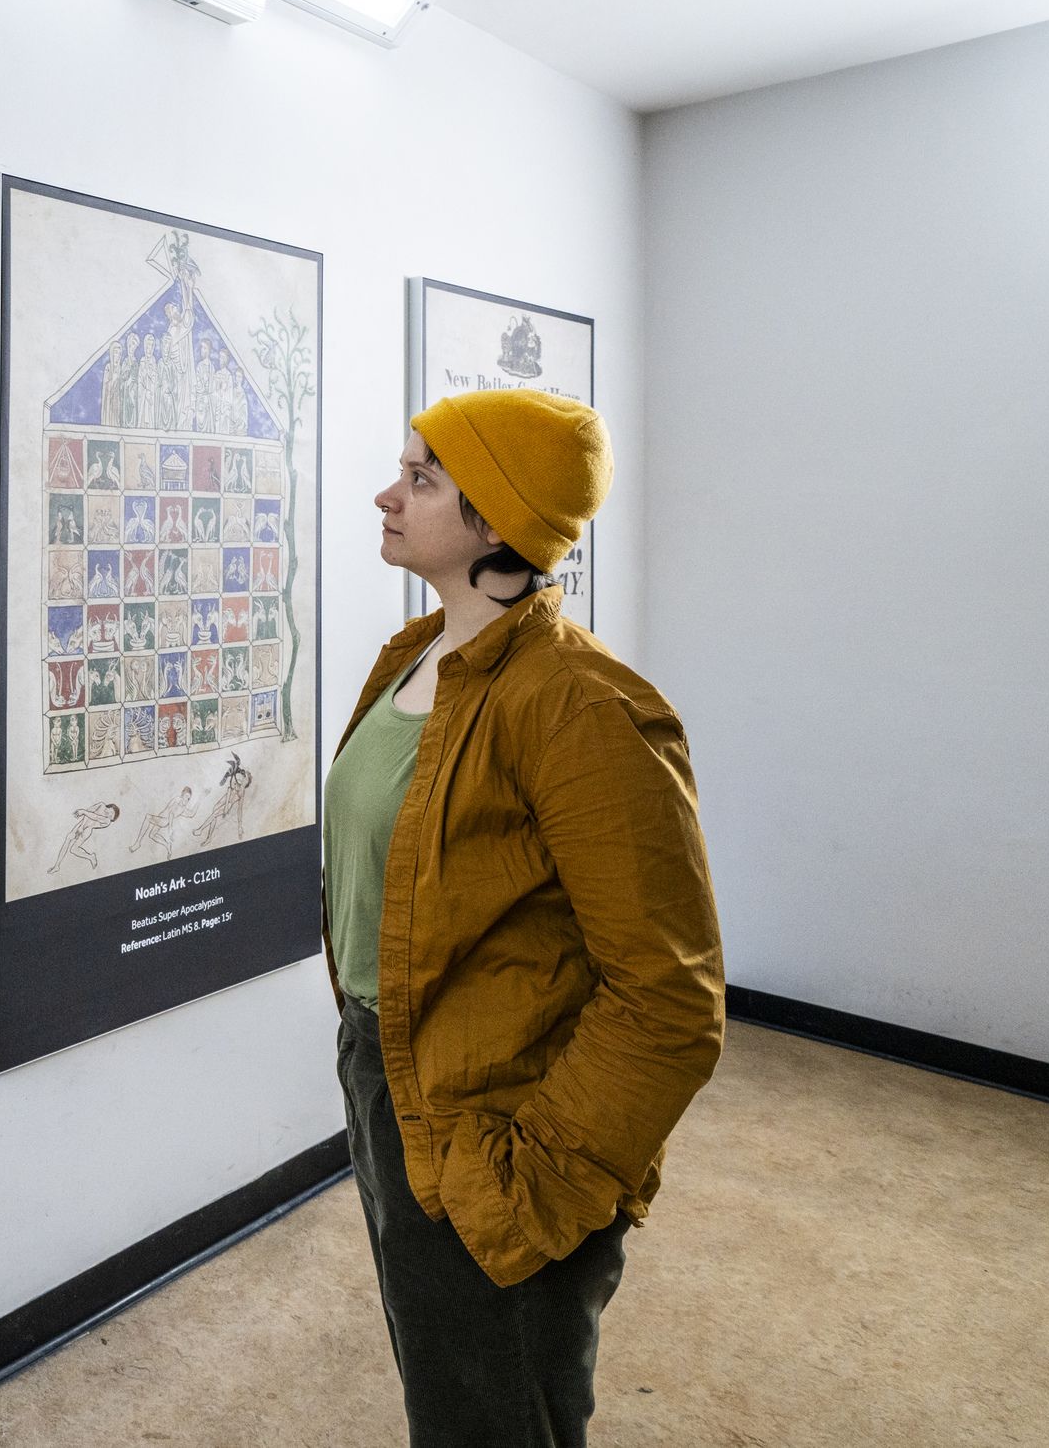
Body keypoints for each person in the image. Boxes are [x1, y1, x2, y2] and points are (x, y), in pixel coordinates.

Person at [329, 389, 723, 1447]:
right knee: (450, 1395)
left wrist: (534, 1178)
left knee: (500, 1411)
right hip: (393, 1082)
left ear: (494, 521)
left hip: (496, 1125)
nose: (387, 493)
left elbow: (671, 999)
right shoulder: (413, 661)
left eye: (420, 478)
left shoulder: (585, 708)